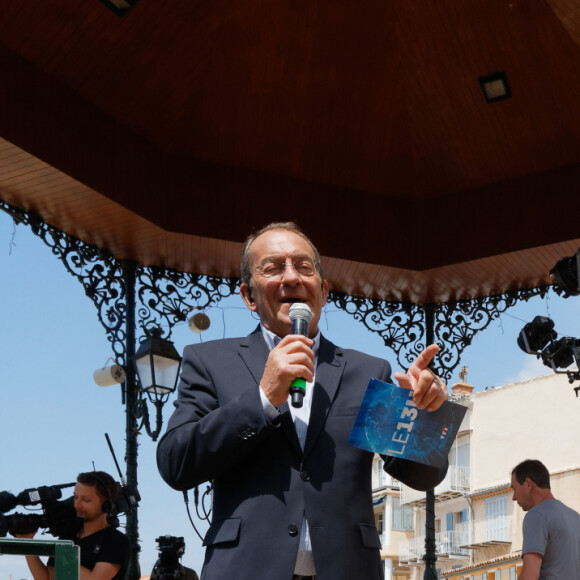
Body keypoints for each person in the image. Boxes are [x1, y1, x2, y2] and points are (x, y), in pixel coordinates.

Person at [157, 222, 449, 580]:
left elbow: (423, 477)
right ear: (248, 295)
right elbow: (176, 462)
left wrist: (423, 418)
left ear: (324, 291)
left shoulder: (368, 370)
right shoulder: (210, 362)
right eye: (274, 267)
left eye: (304, 266)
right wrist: (262, 397)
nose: (292, 277)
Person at [15, 471, 129, 580]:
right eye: (76, 497)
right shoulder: (69, 537)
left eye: (86, 500)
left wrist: (62, 555)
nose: (77, 505)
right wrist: (27, 542)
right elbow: (48, 577)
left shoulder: (116, 541)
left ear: (106, 505)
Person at [511, 459, 580, 579]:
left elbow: (529, 576)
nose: (514, 497)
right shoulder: (575, 517)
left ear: (528, 483)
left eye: (515, 489)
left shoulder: (536, 516)